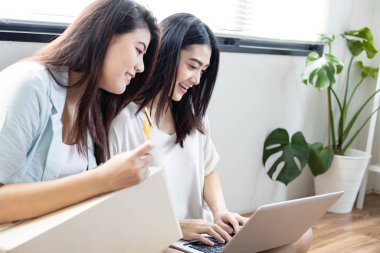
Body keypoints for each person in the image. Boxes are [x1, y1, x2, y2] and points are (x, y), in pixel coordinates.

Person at [109, 13, 313, 253]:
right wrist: (171, 227)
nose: (196, 79)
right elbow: (118, 209)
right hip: (160, 239)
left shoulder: (193, 115)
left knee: (300, 235)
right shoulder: (125, 121)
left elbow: (208, 170)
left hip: (202, 232)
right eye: (192, 66)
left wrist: (221, 212)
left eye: (203, 71)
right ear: (165, 55)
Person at [0, 0, 160, 224]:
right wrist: (102, 179)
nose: (141, 66)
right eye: (139, 50)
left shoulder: (91, 107)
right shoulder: (29, 83)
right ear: (106, 35)